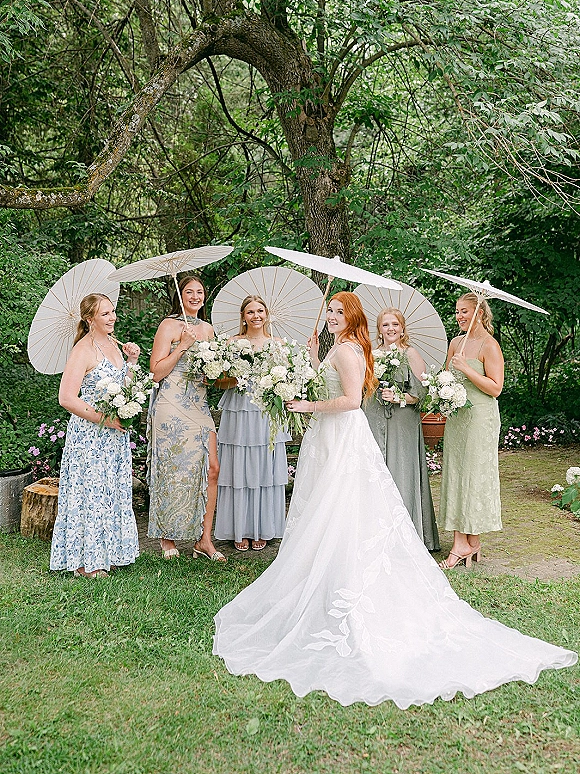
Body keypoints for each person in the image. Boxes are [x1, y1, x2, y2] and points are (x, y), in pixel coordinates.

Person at [213, 291, 576, 708]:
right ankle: (330, 575)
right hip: (329, 440)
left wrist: (306, 403)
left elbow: (351, 402)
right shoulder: (336, 347)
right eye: (328, 311)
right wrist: (312, 360)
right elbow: (330, 384)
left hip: (344, 439)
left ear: (350, 318)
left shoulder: (350, 350)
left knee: (342, 507)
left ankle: (348, 584)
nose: (330, 317)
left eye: (337, 312)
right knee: (327, 513)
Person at [50, 294, 141, 579]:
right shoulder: (82, 350)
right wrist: (106, 419)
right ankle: (84, 561)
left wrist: (132, 361)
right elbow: (66, 398)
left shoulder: (114, 345)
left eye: (112, 311)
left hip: (113, 436)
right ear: (90, 320)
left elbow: (125, 387)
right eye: (105, 314)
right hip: (90, 436)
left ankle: (107, 552)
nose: (112, 317)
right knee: (89, 493)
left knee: (109, 492)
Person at [147, 275, 226, 562]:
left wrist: (216, 373)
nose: (195, 296)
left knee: (212, 467)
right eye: (189, 292)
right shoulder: (168, 325)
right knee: (172, 467)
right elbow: (155, 373)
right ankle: (167, 536)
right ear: (180, 295)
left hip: (198, 403)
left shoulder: (209, 329)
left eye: (199, 292)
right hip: (170, 404)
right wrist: (182, 345)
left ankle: (204, 540)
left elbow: (213, 374)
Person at [214, 295, 289, 552]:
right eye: (250, 312)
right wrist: (235, 378)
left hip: (266, 411)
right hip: (239, 408)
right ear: (243, 316)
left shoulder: (278, 344)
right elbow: (218, 381)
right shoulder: (233, 343)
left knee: (263, 466)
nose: (256, 316)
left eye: (260, 311)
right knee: (239, 466)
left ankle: (263, 527)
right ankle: (240, 528)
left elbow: (288, 383)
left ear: (267, 314)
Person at [364, 307, 439, 551]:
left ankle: (407, 535)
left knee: (401, 471)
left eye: (395, 324)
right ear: (379, 329)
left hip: (403, 419)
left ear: (403, 328)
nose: (391, 329)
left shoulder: (411, 353)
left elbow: (423, 393)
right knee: (377, 470)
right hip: (375, 416)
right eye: (385, 325)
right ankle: (377, 532)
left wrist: (399, 397)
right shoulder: (372, 354)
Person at [439, 293, 504, 569]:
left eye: (464, 311)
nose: (459, 316)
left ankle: (462, 543)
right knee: (456, 472)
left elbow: (495, 388)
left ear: (479, 312)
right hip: (457, 417)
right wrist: (441, 389)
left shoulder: (490, 345)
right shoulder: (456, 343)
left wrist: (467, 368)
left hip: (480, 418)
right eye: (456, 312)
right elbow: (446, 378)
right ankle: (469, 541)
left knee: (474, 476)